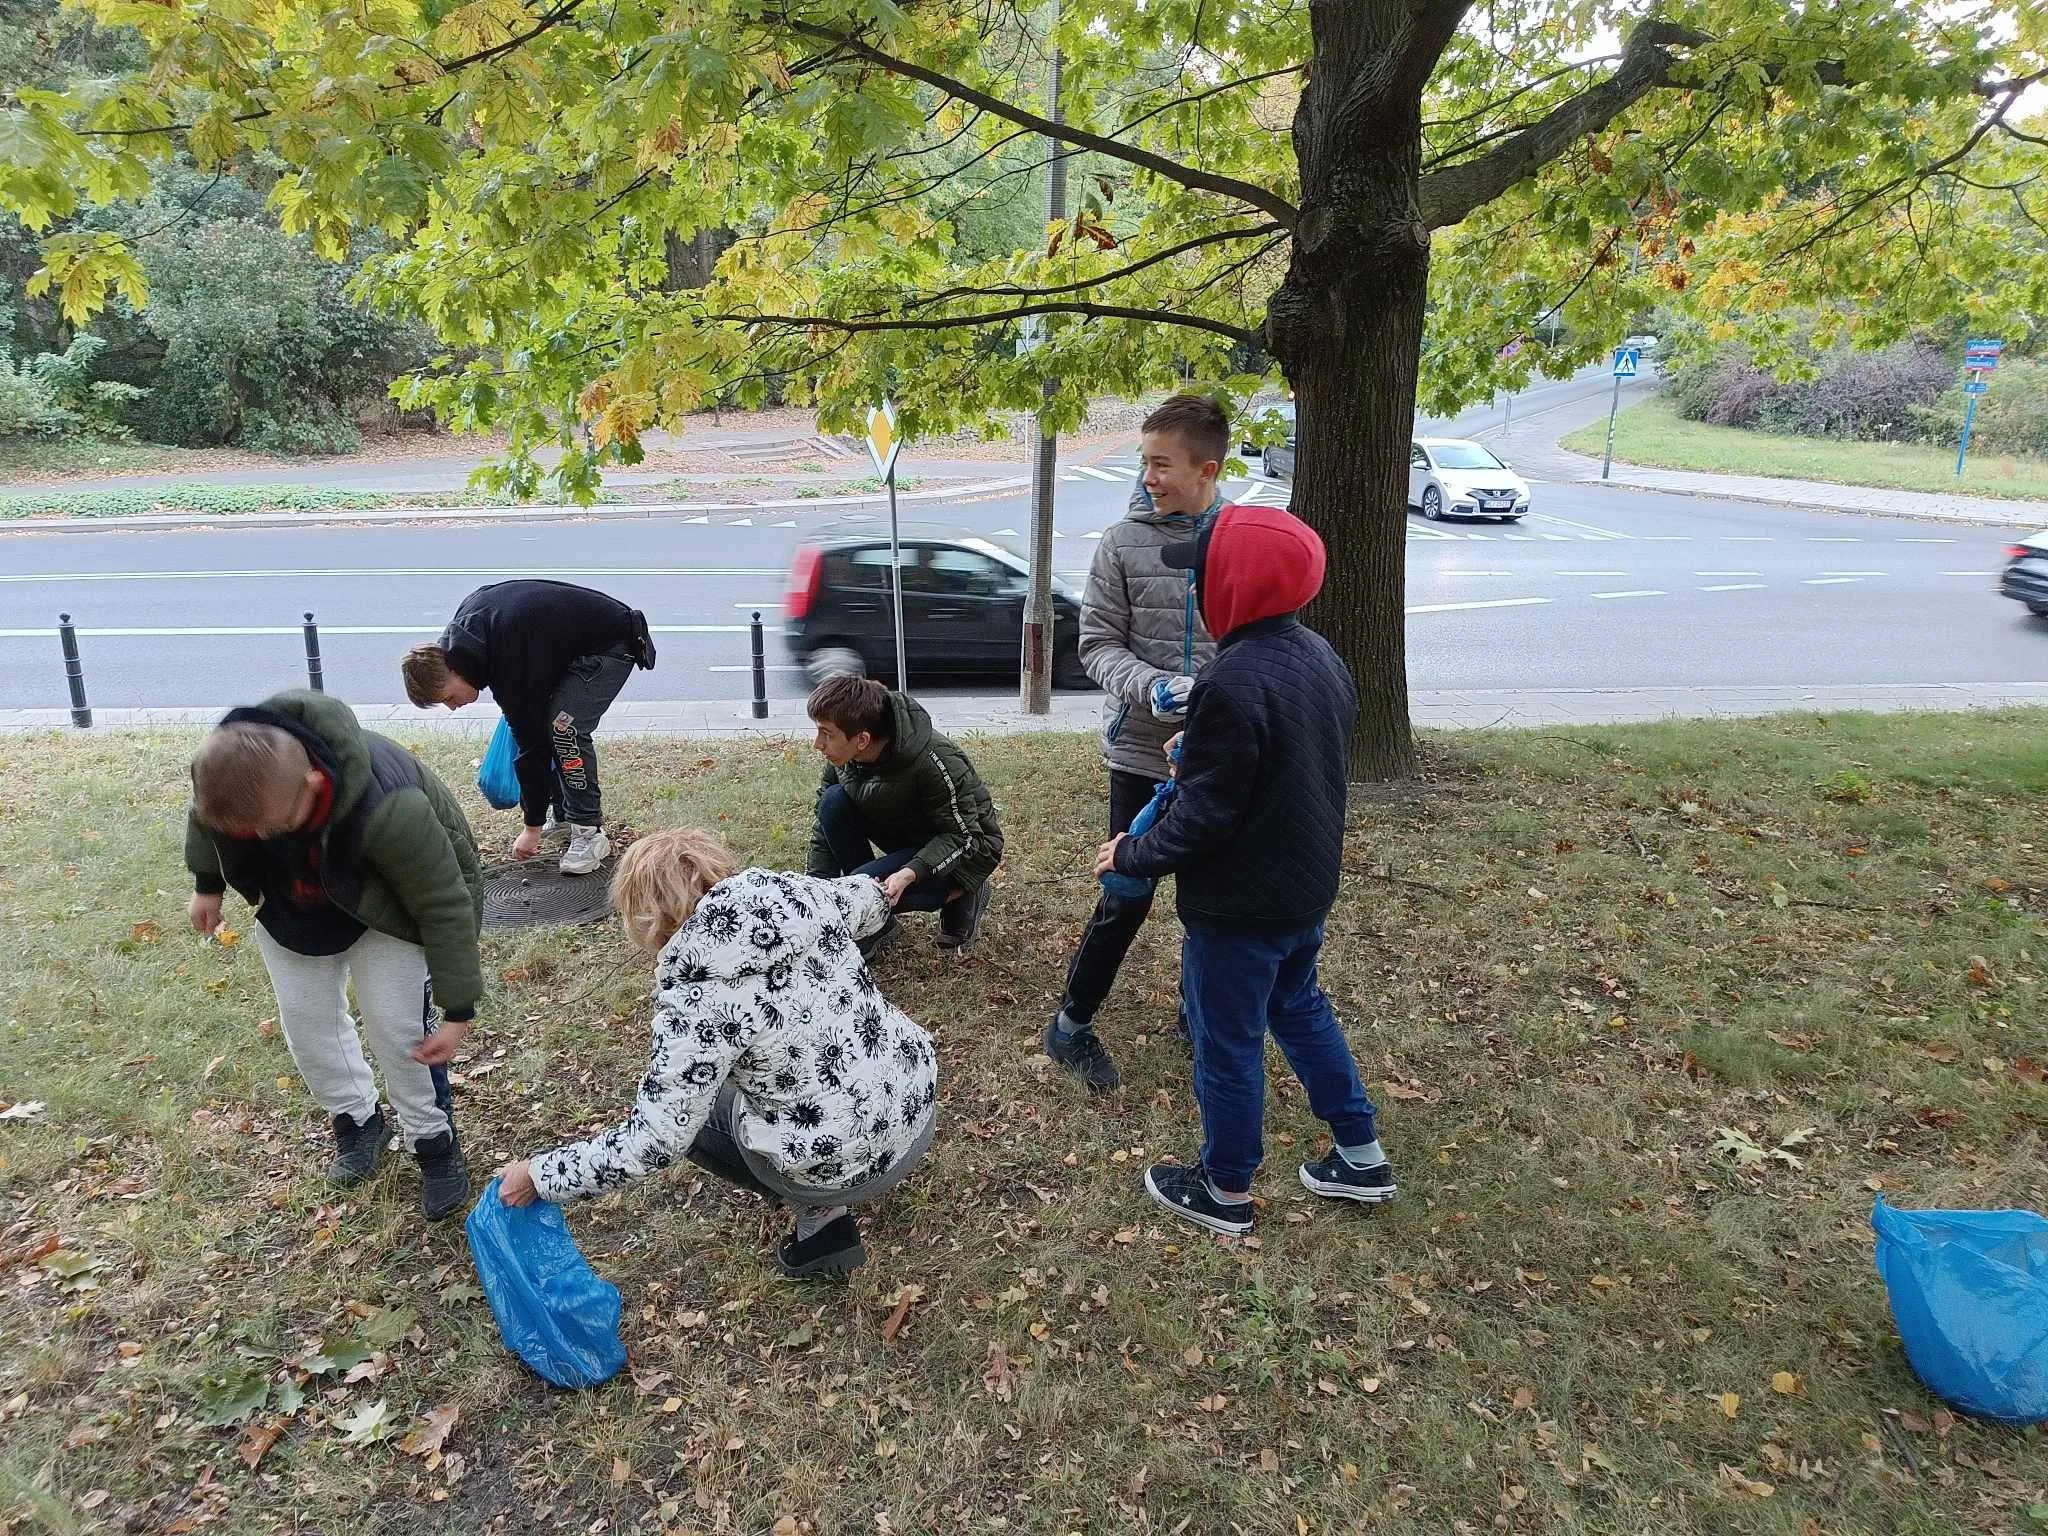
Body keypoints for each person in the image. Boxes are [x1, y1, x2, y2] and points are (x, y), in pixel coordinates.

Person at [1095, 503, 1396, 1237]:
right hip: (1302, 890)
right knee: (1299, 1007)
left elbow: (1204, 820)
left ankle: (1225, 1191)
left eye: (1202, 576)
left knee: (1225, 1041)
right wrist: (1195, 756)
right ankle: (1361, 1155)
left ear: (1235, 585)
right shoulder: (1320, 657)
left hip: (1240, 906)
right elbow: (1276, 765)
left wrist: (1130, 851)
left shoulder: (1230, 680)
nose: (1196, 591)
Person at [492, 829, 938, 1279]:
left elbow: (655, 1141)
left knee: (690, 1112)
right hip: (917, 1104)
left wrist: (538, 1175)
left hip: (843, 1163)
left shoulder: (696, 1000)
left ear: (647, 915)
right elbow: (869, 896)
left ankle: (822, 1217)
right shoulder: (795, 893)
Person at [184, 690, 485, 1221]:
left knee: (399, 1034)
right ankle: (357, 1121)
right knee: (307, 1023)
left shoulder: (390, 806)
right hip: (295, 907)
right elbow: (208, 818)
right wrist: (208, 883)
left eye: (269, 828)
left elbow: (444, 903)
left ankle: (433, 1142)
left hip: (386, 908)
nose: (255, 837)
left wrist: (458, 1010)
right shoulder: (232, 774)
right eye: (245, 832)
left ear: (314, 785)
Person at [1043, 393, 1221, 1092]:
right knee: (1127, 892)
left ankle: (1195, 1014)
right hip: (1141, 752)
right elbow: (1096, 644)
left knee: (1207, 899)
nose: (1148, 477)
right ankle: (1070, 1027)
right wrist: (1152, 686)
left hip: (1216, 757)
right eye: (1144, 463)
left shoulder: (1236, 537)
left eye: (1162, 464)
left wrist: (1216, 699)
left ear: (1206, 469)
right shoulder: (1122, 542)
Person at [402, 580, 656, 877]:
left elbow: (531, 747)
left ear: (453, 669)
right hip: (575, 646)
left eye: (448, 698)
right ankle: (563, 816)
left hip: (612, 644)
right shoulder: (471, 640)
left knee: (564, 728)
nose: (452, 707)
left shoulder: (505, 659)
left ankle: (589, 833)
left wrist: (531, 828)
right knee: (550, 724)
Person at [803, 675, 1003, 954]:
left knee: (859, 886)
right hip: (906, 834)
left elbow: (963, 836)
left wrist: (908, 874)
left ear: (862, 739)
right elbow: (825, 825)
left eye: (827, 733)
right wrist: (814, 890)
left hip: (966, 851)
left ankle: (965, 893)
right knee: (832, 802)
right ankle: (876, 922)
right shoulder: (844, 758)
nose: (817, 744)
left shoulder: (934, 762)